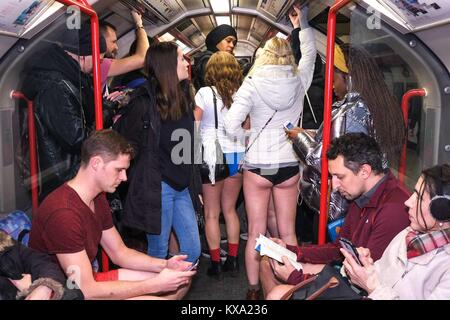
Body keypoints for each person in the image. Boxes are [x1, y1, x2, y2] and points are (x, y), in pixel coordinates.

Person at [29, 130, 195, 300]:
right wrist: (155, 284)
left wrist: (165, 264)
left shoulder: (97, 197)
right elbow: (86, 290)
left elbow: (119, 252)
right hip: (65, 292)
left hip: (85, 282)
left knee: (181, 281)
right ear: (96, 163)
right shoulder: (63, 213)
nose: (124, 177)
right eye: (119, 170)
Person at [225, 5, 316, 300]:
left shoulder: (251, 83)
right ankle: (291, 284)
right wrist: (302, 22)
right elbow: (311, 54)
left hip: (258, 166)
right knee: (288, 232)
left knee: (256, 233)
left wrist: (246, 138)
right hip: (289, 165)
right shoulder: (299, 79)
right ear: (288, 56)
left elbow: (230, 123)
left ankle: (253, 291)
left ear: (263, 56)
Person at [261, 133, 410, 299]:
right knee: (268, 262)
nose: (335, 185)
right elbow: (338, 248)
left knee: (276, 292)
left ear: (364, 171)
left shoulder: (393, 210)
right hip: (347, 275)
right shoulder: (362, 194)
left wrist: (298, 278)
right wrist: (291, 250)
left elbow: (366, 282)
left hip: (361, 287)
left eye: (340, 177)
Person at [286, 43, 405, 222]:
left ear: (348, 77)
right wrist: (314, 134)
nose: (332, 86)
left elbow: (330, 161)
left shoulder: (349, 113)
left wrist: (300, 138)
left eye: (334, 79)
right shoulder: (378, 104)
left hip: (338, 204)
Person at [118, 42, 201, 263]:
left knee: (192, 250)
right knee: (158, 251)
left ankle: (169, 290)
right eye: (182, 58)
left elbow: (190, 146)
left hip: (181, 186)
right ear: (168, 65)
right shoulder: (144, 103)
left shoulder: (183, 98)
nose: (186, 63)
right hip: (158, 187)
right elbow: (125, 143)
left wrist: (196, 185)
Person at [21, 22, 114, 200]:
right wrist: (106, 115)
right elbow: (76, 138)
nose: (98, 65)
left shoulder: (72, 77)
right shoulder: (55, 86)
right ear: (84, 55)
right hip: (61, 178)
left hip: (69, 171)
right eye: (98, 59)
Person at [342, 163, 450, 299]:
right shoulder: (408, 234)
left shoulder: (445, 266)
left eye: (419, 198)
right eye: (414, 193)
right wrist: (363, 268)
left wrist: (373, 288)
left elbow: (376, 287)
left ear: (441, 211)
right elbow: (379, 277)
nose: (408, 202)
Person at [194, 51, 245, 278]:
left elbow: (194, 128)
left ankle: (215, 263)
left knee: (212, 213)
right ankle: (233, 260)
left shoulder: (204, 93)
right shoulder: (242, 94)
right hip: (237, 155)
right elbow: (247, 127)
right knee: (230, 210)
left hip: (214, 157)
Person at [0, 230, 82, 300]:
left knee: (73, 290)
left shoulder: (5, 243)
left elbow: (42, 263)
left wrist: (45, 286)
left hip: (51, 289)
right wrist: (28, 291)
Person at [99, 10, 150, 90]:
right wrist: (139, 24)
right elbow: (143, 58)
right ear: (100, 40)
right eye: (113, 42)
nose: (116, 47)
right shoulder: (101, 64)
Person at [193, 24, 237, 90]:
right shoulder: (207, 61)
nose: (232, 45)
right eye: (228, 41)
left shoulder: (224, 60)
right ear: (217, 40)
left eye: (234, 42)